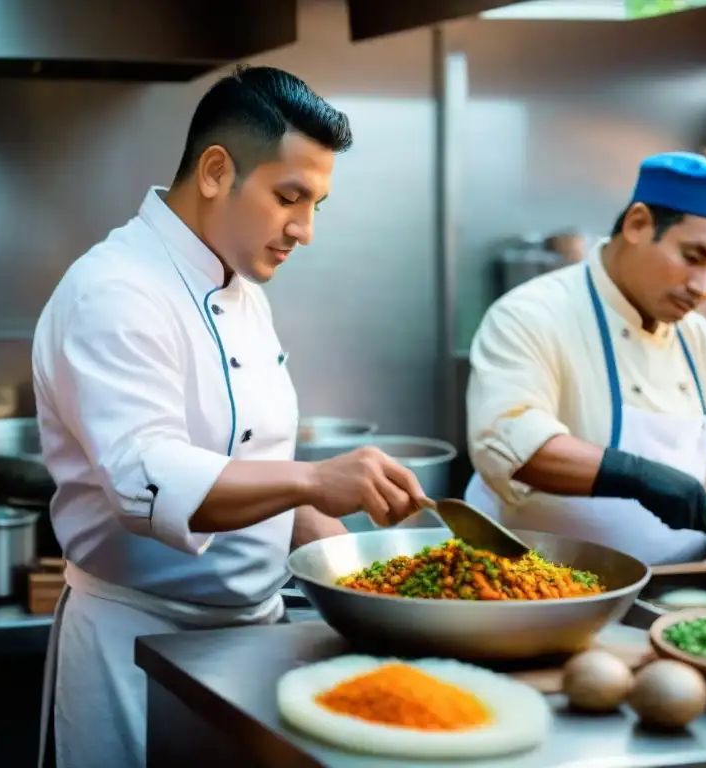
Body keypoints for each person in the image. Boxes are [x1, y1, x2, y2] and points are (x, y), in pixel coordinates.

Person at [32, 65, 433, 768]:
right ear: (217, 171)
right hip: (136, 649)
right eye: (289, 198)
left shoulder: (243, 288)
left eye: (318, 205)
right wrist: (313, 481)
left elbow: (260, 471)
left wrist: (367, 586)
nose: (305, 230)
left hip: (254, 641)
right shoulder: (114, 290)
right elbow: (145, 482)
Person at [464, 151, 706, 566]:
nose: (702, 287)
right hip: (540, 587)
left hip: (676, 587)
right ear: (638, 224)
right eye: (692, 257)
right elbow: (509, 442)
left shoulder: (703, 341)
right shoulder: (532, 314)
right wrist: (637, 477)